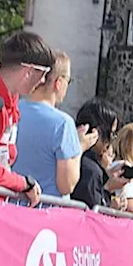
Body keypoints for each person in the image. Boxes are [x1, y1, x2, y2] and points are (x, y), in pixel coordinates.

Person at [0, 31, 56, 205]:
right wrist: (24, 183)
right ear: (28, 71)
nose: (43, 81)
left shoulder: (10, 98)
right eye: (43, 74)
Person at [13, 52, 94, 197]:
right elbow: (66, 185)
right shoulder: (63, 124)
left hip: (11, 203)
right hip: (47, 210)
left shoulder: (13, 110)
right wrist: (80, 147)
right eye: (68, 80)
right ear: (58, 83)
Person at [70, 98, 124, 209]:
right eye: (111, 133)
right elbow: (95, 211)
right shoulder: (90, 170)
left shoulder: (67, 154)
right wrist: (108, 194)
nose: (111, 141)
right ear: (98, 132)